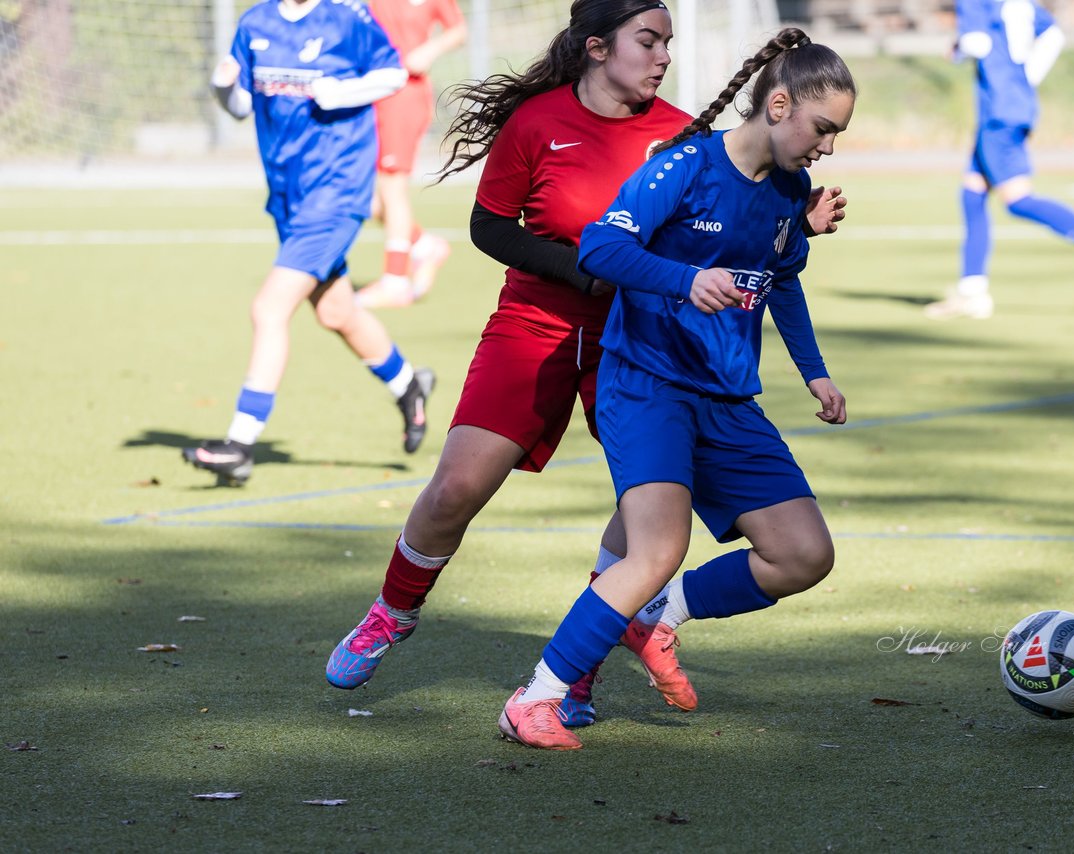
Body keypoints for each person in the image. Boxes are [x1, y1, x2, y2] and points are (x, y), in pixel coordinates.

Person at [324, 0, 847, 724]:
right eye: (649, 40)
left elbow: (739, 233)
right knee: (455, 489)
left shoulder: (682, 136)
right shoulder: (537, 122)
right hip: (535, 323)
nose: (664, 56)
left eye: (668, 42)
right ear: (598, 47)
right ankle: (393, 611)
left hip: (640, 344)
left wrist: (797, 229)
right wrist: (581, 271)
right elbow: (489, 226)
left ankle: (573, 678)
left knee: (648, 525)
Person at [497, 27, 856, 751]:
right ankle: (534, 700)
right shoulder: (686, 166)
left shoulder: (788, 191)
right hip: (648, 384)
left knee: (803, 555)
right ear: (779, 105)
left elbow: (782, 277)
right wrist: (686, 280)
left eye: (837, 134)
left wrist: (813, 369)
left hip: (727, 398)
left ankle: (659, 615)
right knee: (655, 548)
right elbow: (601, 247)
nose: (827, 146)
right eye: (823, 128)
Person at [184, 0, 436, 486]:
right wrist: (221, 89)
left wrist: (339, 92)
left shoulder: (348, 17)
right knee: (336, 312)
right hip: (288, 195)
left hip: (337, 193)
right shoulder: (256, 22)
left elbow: (393, 74)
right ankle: (410, 386)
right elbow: (242, 106)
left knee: (269, 309)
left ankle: (239, 444)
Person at [925, 0, 1074, 321]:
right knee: (972, 194)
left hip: (998, 113)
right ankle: (972, 293)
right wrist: (1024, 79)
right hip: (1013, 106)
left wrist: (958, 49)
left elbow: (978, 42)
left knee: (1017, 200)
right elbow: (1052, 35)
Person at [354, 0, 468, 309]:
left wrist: (428, 51)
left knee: (392, 188)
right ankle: (423, 245)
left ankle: (394, 282)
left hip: (402, 94)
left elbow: (458, 29)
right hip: (363, 93)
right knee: (365, 198)